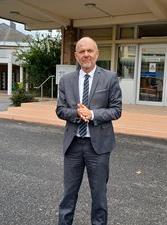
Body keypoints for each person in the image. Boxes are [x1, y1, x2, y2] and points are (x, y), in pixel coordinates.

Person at [56, 37, 122, 225]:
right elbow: (60, 110)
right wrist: (78, 113)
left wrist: (92, 114)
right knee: (68, 194)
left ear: (97, 54)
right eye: (82, 51)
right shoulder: (66, 80)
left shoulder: (110, 78)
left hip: (99, 148)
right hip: (73, 145)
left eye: (90, 51)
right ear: (76, 55)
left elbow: (116, 110)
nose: (86, 55)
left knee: (99, 197)